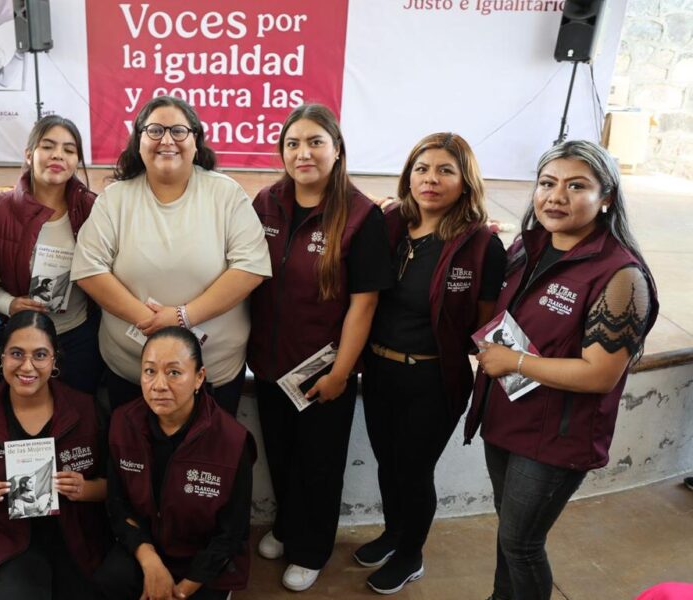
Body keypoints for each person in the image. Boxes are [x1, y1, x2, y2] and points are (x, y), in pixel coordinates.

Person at [465, 140, 658, 600]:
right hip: (507, 416)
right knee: (510, 532)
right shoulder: (527, 246)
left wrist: (515, 362)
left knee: (522, 543)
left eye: (576, 186)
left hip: (556, 435)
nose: (556, 196)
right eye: (547, 183)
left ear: (606, 197)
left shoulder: (621, 275)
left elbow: (600, 374)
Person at [247, 104, 393, 592]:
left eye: (315, 142)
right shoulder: (266, 202)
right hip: (269, 364)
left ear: (337, 150)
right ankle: (288, 527)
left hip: (322, 369)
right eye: (292, 143)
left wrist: (341, 372)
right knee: (281, 456)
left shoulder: (361, 215)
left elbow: (364, 305)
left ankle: (311, 549)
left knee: (319, 465)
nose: (303, 153)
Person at [357, 132, 506, 594]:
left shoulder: (481, 246)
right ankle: (393, 534)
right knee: (387, 463)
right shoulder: (389, 225)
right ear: (408, 176)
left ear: (465, 181)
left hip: (433, 378)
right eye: (422, 169)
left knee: (413, 470)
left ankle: (410, 554)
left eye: (445, 171)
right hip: (380, 369)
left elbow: (483, 326)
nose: (431, 179)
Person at [71, 95, 271, 413]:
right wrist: (152, 322)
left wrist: (181, 317)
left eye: (178, 131)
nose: (166, 140)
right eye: (155, 130)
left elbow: (250, 267)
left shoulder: (226, 194)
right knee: (134, 446)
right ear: (138, 141)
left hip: (213, 372)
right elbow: (89, 269)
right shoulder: (115, 199)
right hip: (132, 371)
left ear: (196, 141)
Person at [0, 310, 110, 600]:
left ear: (54, 360)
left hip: (78, 534)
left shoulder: (86, 410)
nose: (27, 366)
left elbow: (112, 487)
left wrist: (84, 489)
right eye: (17, 353)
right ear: (2, 356)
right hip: (9, 538)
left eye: (40, 355)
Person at [95, 326, 255, 600]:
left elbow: (232, 532)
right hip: (147, 549)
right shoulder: (123, 422)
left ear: (199, 377)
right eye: (150, 371)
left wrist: (182, 591)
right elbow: (118, 504)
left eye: (174, 373)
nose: (159, 385)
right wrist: (150, 562)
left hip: (203, 562)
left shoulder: (232, 440)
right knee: (109, 580)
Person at [0, 115, 103, 394]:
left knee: (77, 412)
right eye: (48, 146)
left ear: (77, 160)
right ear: (29, 154)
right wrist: (8, 303)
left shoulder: (94, 209)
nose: (58, 155)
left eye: (69, 150)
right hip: (18, 336)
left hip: (78, 336)